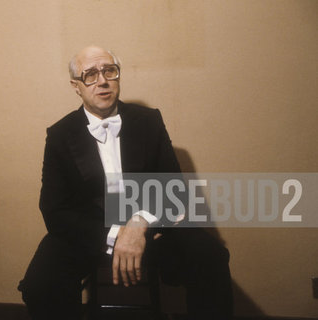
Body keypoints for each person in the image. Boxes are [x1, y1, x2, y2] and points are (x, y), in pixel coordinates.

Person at [18, 45, 233, 319]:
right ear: (76, 86)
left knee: (211, 258)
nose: (103, 81)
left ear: (118, 76)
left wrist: (139, 223)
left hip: (152, 230)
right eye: (91, 74)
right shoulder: (60, 134)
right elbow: (53, 210)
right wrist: (118, 234)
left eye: (109, 71)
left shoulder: (149, 120)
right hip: (90, 235)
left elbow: (175, 190)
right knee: (40, 286)